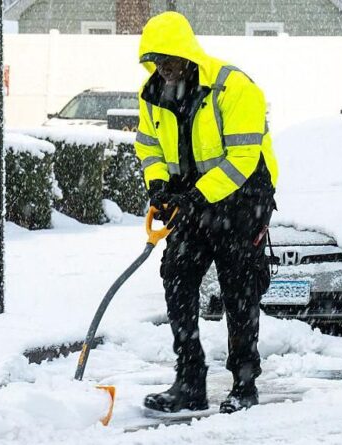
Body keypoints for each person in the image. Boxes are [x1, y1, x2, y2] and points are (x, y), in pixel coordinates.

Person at [134, 11, 279, 414]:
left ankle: (244, 383)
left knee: (239, 287)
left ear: (188, 54)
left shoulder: (234, 89)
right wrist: (159, 185)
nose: (164, 70)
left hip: (242, 200)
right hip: (190, 203)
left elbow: (242, 159)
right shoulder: (154, 95)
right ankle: (189, 381)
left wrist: (197, 197)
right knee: (177, 278)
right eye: (157, 62)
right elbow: (147, 147)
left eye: (170, 60)